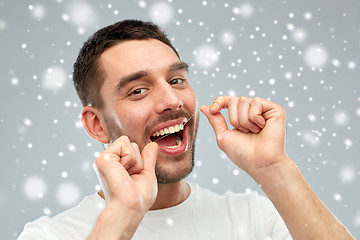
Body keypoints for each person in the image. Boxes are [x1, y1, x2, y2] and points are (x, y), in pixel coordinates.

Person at [18, 19, 354, 240]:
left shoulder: (254, 218)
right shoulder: (51, 234)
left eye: (177, 80)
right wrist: (123, 215)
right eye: (138, 90)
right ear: (96, 124)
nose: (171, 100)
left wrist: (274, 168)